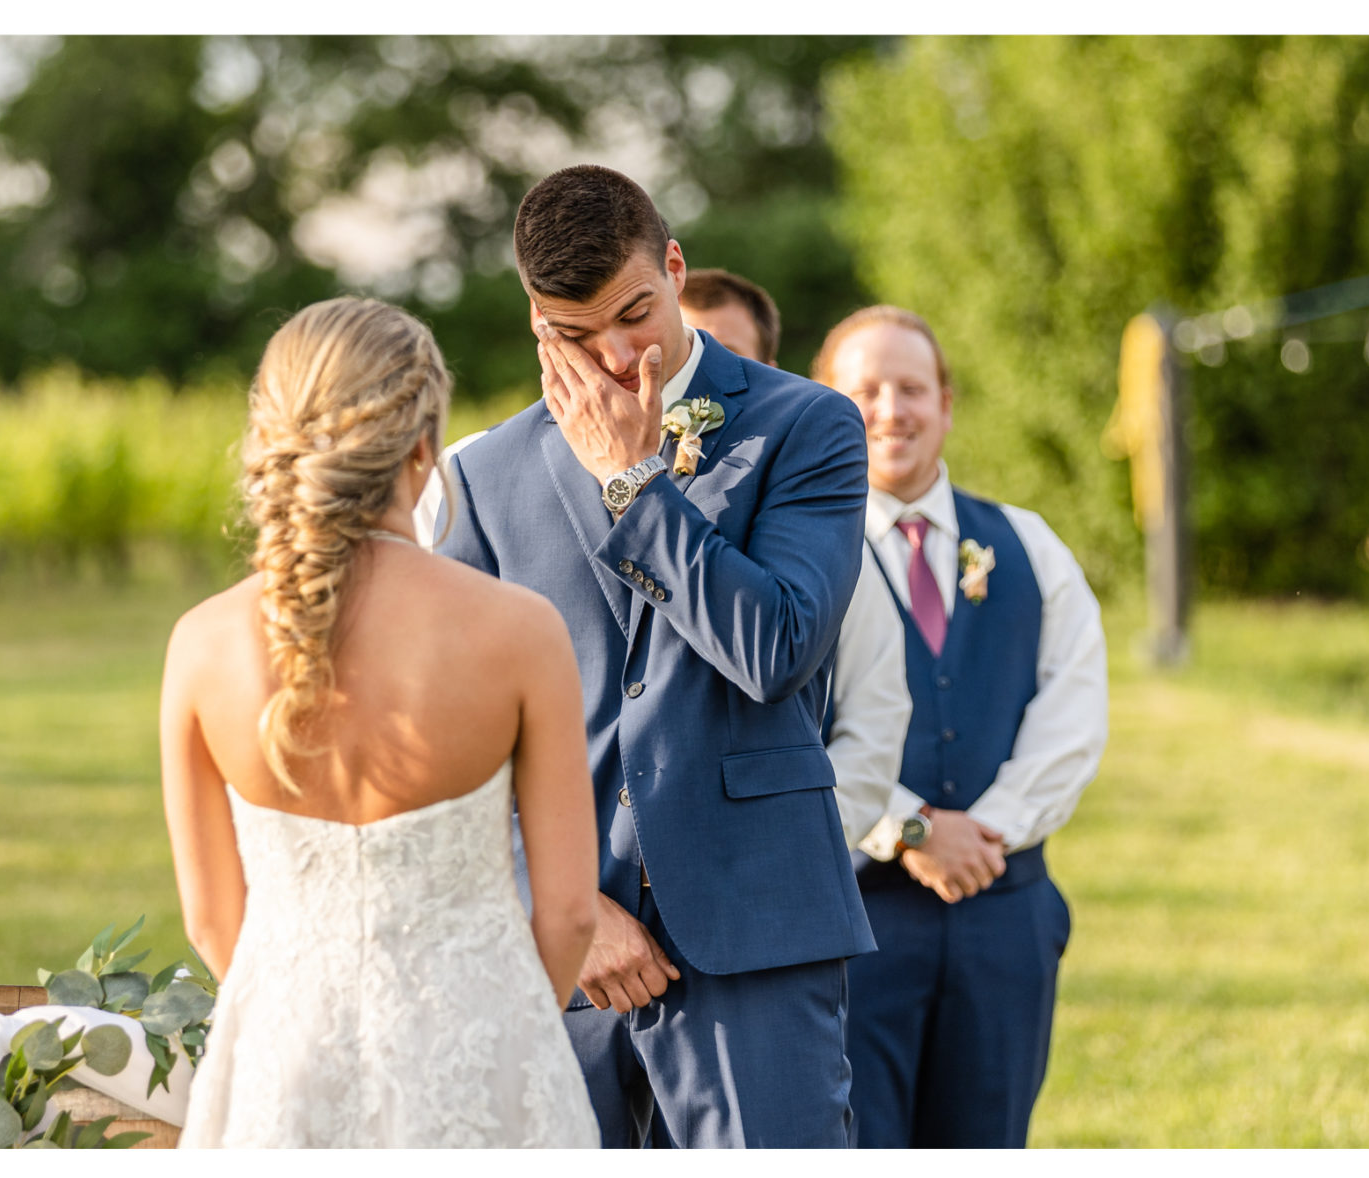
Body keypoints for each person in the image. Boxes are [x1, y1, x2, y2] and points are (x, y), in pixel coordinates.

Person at [436, 165, 876, 1148]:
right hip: (562, 957)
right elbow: (454, 747)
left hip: (753, 932)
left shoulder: (806, 426)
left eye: (633, 313)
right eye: (571, 333)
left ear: (672, 269)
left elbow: (775, 647)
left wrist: (634, 483)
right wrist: (566, 904)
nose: (612, 354)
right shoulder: (482, 475)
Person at [161, 297, 601, 1148]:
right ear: (424, 444)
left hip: (284, 1060)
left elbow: (213, 921)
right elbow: (572, 913)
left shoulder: (200, 644)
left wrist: (298, 995)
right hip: (483, 1054)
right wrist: (498, 1028)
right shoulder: (519, 631)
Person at [811, 305, 1108, 1149]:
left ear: (947, 402)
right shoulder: (798, 558)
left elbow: (1074, 708)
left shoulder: (1028, 543)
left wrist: (988, 834)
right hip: (859, 924)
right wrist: (906, 829)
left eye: (912, 388)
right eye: (864, 390)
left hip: (1003, 912)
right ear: (825, 404)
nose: (890, 410)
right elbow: (788, 724)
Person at [680, 269, 910, 849]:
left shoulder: (819, 533)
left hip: (769, 852)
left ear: (767, 374)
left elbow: (874, 718)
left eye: (722, 358)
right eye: (682, 352)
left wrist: (796, 847)